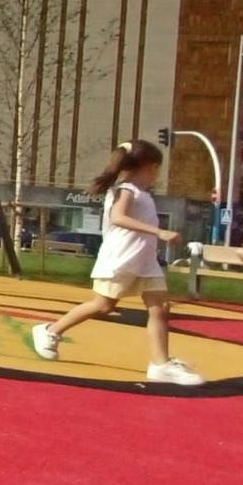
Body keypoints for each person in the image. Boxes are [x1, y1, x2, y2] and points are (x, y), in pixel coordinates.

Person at [31, 140, 203, 385]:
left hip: (144, 261)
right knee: (103, 305)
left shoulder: (142, 194)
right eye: (157, 168)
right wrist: (158, 232)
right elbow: (118, 217)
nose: (157, 174)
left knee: (160, 308)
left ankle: (160, 364)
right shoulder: (126, 190)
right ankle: (49, 331)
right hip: (121, 259)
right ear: (149, 167)